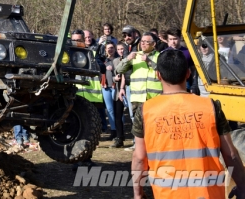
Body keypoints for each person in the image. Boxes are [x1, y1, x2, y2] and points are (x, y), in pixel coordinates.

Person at [131, 49, 245, 199]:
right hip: (209, 193)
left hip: (167, 193)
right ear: (188, 73)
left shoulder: (145, 111)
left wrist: (138, 193)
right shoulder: (211, 107)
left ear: (158, 75)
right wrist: (242, 188)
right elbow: (231, 154)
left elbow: (139, 158)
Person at [116, 32, 161, 151]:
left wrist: (149, 61)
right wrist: (127, 59)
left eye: (147, 42)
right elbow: (119, 69)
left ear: (154, 44)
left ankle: (155, 146)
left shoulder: (160, 56)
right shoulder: (135, 55)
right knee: (139, 125)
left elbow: (164, 71)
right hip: (138, 97)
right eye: (142, 42)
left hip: (155, 97)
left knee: (155, 123)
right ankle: (139, 146)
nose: (143, 44)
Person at [72, 29, 101, 168]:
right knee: (74, 130)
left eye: (79, 40)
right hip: (73, 97)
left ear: (84, 40)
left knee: (90, 131)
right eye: (74, 40)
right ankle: (76, 160)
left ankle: (87, 159)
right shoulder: (67, 55)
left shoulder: (92, 54)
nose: (76, 43)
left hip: (91, 98)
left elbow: (100, 69)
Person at [101, 41, 119, 144]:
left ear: (114, 49)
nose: (110, 49)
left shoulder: (117, 59)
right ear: (105, 49)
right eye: (108, 48)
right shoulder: (103, 60)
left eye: (112, 47)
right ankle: (113, 131)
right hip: (105, 87)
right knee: (110, 110)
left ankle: (119, 130)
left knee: (118, 110)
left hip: (115, 86)